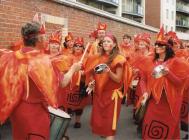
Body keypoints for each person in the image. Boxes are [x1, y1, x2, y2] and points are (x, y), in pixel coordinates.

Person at [0, 22, 82, 140]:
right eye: (44, 37)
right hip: (36, 112)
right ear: (39, 40)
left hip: (17, 111)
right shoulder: (44, 61)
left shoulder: (8, 57)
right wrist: (73, 69)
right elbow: (63, 83)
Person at [138, 27, 189, 139]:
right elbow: (143, 79)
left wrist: (168, 73)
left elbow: (180, 84)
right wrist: (145, 92)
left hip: (169, 104)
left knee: (168, 131)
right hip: (153, 102)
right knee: (149, 130)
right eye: (156, 44)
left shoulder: (177, 63)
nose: (157, 47)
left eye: (161, 45)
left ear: (168, 48)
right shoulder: (150, 61)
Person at [85, 33, 131, 140]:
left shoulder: (118, 59)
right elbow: (92, 73)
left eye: (109, 41)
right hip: (99, 95)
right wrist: (92, 82)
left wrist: (108, 71)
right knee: (101, 126)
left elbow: (118, 79)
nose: (106, 43)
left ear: (114, 44)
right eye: (104, 41)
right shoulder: (96, 57)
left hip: (112, 97)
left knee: (110, 127)